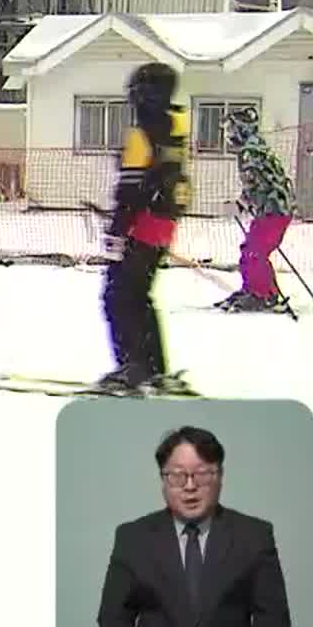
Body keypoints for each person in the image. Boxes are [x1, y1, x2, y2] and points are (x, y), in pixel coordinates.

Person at [96, 426, 291, 627]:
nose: (190, 486)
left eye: (202, 474)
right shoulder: (133, 538)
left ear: (219, 476)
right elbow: (113, 619)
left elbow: (273, 621)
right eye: (178, 475)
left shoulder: (254, 536)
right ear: (163, 480)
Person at [100, 62, 191, 395]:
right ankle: (152, 365)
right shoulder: (175, 128)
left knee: (118, 296)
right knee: (140, 296)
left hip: (140, 225)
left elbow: (130, 188)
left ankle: (133, 366)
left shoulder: (141, 134)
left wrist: (116, 231)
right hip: (164, 223)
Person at [218, 108, 296, 313]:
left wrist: (240, 205)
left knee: (255, 252)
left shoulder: (250, 152)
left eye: (231, 129)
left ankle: (263, 294)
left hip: (274, 210)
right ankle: (253, 289)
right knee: (250, 250)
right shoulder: (254, 147)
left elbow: (255, 185)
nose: (229, 135)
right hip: (271, 209)